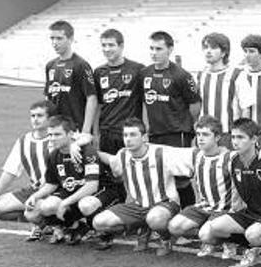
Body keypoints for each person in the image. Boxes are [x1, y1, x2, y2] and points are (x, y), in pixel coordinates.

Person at [93, 117, 194, 255]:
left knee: (155, 218)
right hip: (136, 207)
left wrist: (220, 152)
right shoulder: (123, 154)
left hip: (164, 204)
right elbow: (110, 160)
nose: (128, 139)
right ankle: (141, 228)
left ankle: (165, 238)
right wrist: (86, 147)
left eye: (133, 135)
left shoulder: (161, 152)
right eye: (125, 135)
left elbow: (193, 155)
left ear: (145, 137)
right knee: (99, 222)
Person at [202, 118, 261, 264]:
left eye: (240, 137)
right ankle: (254, 245)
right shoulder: (235, 161)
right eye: (233, 137)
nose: (235, 142)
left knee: (253, 234)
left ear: (254, 139)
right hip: (250, 213)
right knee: (215, 227)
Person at [138, 30, 201, 207]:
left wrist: (184, 125)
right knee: (159, 179)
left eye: (158, 48)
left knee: (181, 180)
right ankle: (166, 218)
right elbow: (144, 102)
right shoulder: (144, 74)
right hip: (155, 134)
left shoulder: (182, 75)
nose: (154, 53)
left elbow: (195, 105)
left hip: (177, 133)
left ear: (170, 49)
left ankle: (189, 217)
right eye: (151, 48)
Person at [166, 116, 242, 256]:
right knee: (174, 227)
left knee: (205, 235)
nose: (200, 138)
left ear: (217, 137)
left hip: (224, 210)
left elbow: (251, 153)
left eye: (206, 135)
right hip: (203, 208)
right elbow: (166, 152)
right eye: (198, 134)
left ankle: (230, 240)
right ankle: (214, 237)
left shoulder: (230, 157)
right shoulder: (196, 155)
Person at [23, 116, 103, 245]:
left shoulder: (87, 151)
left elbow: (92, 186)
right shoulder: (54, 155)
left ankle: (102, 231)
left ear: (70, 134)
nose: (52, 138)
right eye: (50, 135)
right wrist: (35, 196)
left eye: (57, 134)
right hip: (71, 193)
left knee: (86, 204)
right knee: (44, 207)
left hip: (95, 193)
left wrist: (65, 203)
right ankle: (76, 226)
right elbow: (51, 183)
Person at [0, 100, 54, 238]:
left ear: (50, 118)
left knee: (33, 212)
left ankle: (59, 224)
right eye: (32, 116)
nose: (35, 119)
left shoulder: (58, 138)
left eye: (40, 116)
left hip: (57, 190)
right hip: (35, 189)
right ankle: (43, 225)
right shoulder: (24, 141)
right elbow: (10, 171)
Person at [94, 29, 145, 155]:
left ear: (121, 46)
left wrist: (146, 131)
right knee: (109, 171)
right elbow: (98, 105)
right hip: (107, 133)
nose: (107, 49)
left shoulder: (137, 69)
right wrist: (95, 133)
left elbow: (145, 103)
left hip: (130, 133)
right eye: (104, 45)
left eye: (111, 45)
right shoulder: (99, 72)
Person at [44, 20, 97, 135]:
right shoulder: (50, 66)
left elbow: (91, 98)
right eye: (52, 38)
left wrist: (86, 130)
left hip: (75, 129)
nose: (54, 43)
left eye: (59, 38)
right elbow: (48, 98)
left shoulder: (81, 65)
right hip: (56, 130)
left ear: (71, 39)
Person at [196, 33, 241, 148]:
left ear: (224, 52)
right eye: (205, 48)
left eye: (213, 48)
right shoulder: (201, 75)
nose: (208, 51)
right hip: (205, 134)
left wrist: (241, 134)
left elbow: (245, 107)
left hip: (227, 134)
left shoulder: (236, 74)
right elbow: (197, 105)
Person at [235, 34, 261, 148]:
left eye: (251, 51)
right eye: (245, 51)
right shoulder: (240, 75)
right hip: (247, 136)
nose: (247, 55)